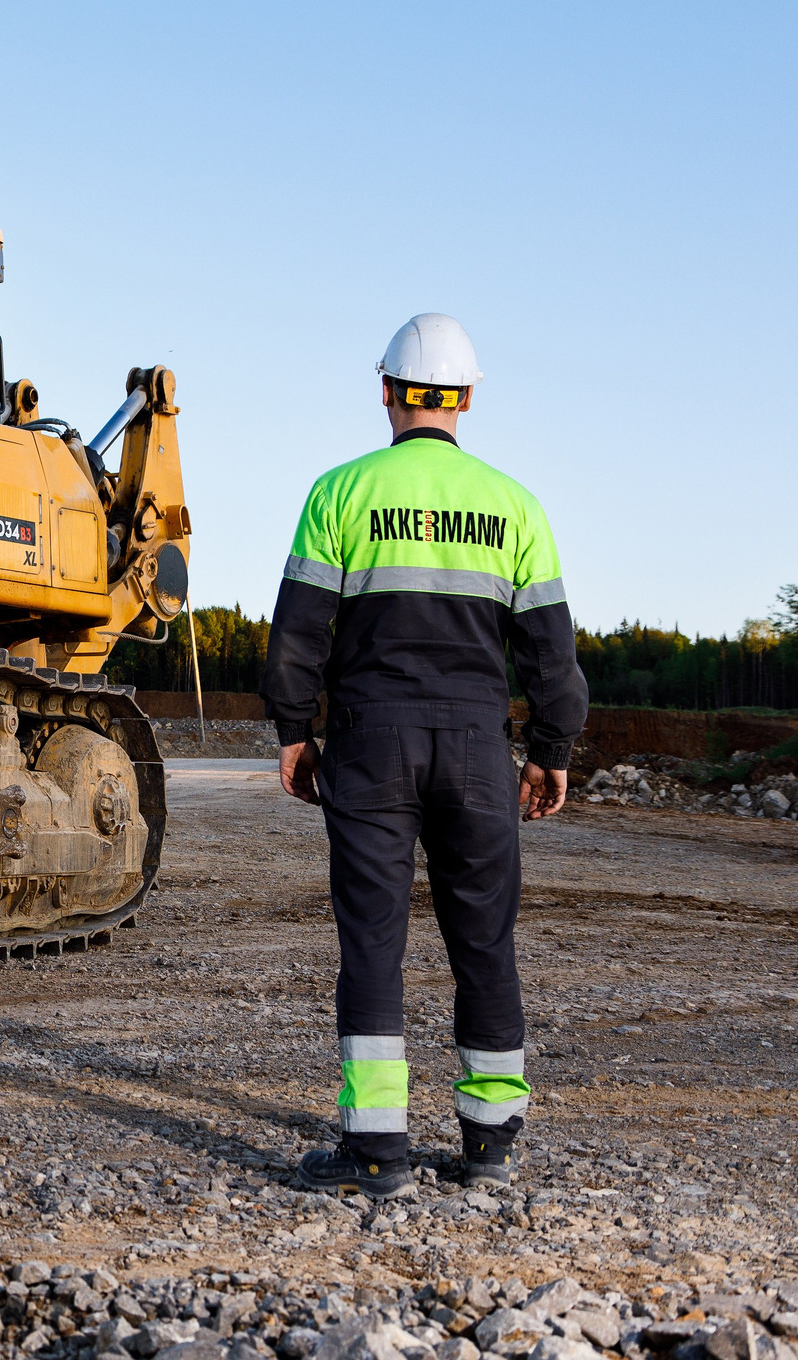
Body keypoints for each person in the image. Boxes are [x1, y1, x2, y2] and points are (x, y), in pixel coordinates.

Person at [260, 313, 587, 1196]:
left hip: (369, 742)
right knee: (485, 937)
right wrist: (552, 747)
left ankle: (377, 1150)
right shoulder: (515, 505)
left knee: (372, 941)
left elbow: (298, 633)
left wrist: (295, 733)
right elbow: (551, 654)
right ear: (466, 399)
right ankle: (490, 1141)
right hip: (481, 747)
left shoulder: (340, 493)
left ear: (387, 393)